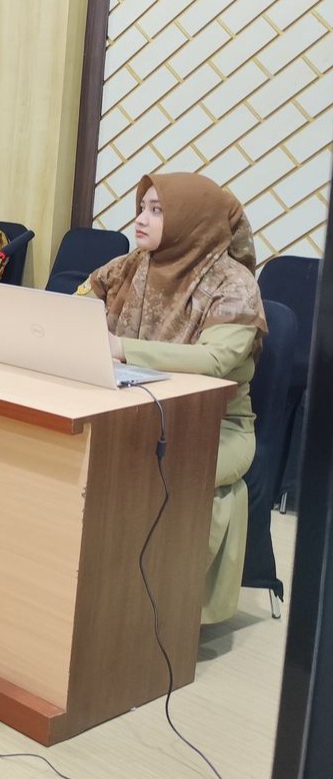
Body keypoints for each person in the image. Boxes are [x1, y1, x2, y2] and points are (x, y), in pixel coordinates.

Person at [77, 173, 266, 624]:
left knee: (146, 475)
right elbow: (76, 307)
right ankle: (91, 601)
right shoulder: (128, 266)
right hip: (126, 410)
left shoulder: (233, 284)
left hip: (213, 427)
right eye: (143, 207)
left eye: (158, 211)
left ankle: (160, 615)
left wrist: (122, 348)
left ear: (193, 222)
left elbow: (217, 359)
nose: (141, 219)